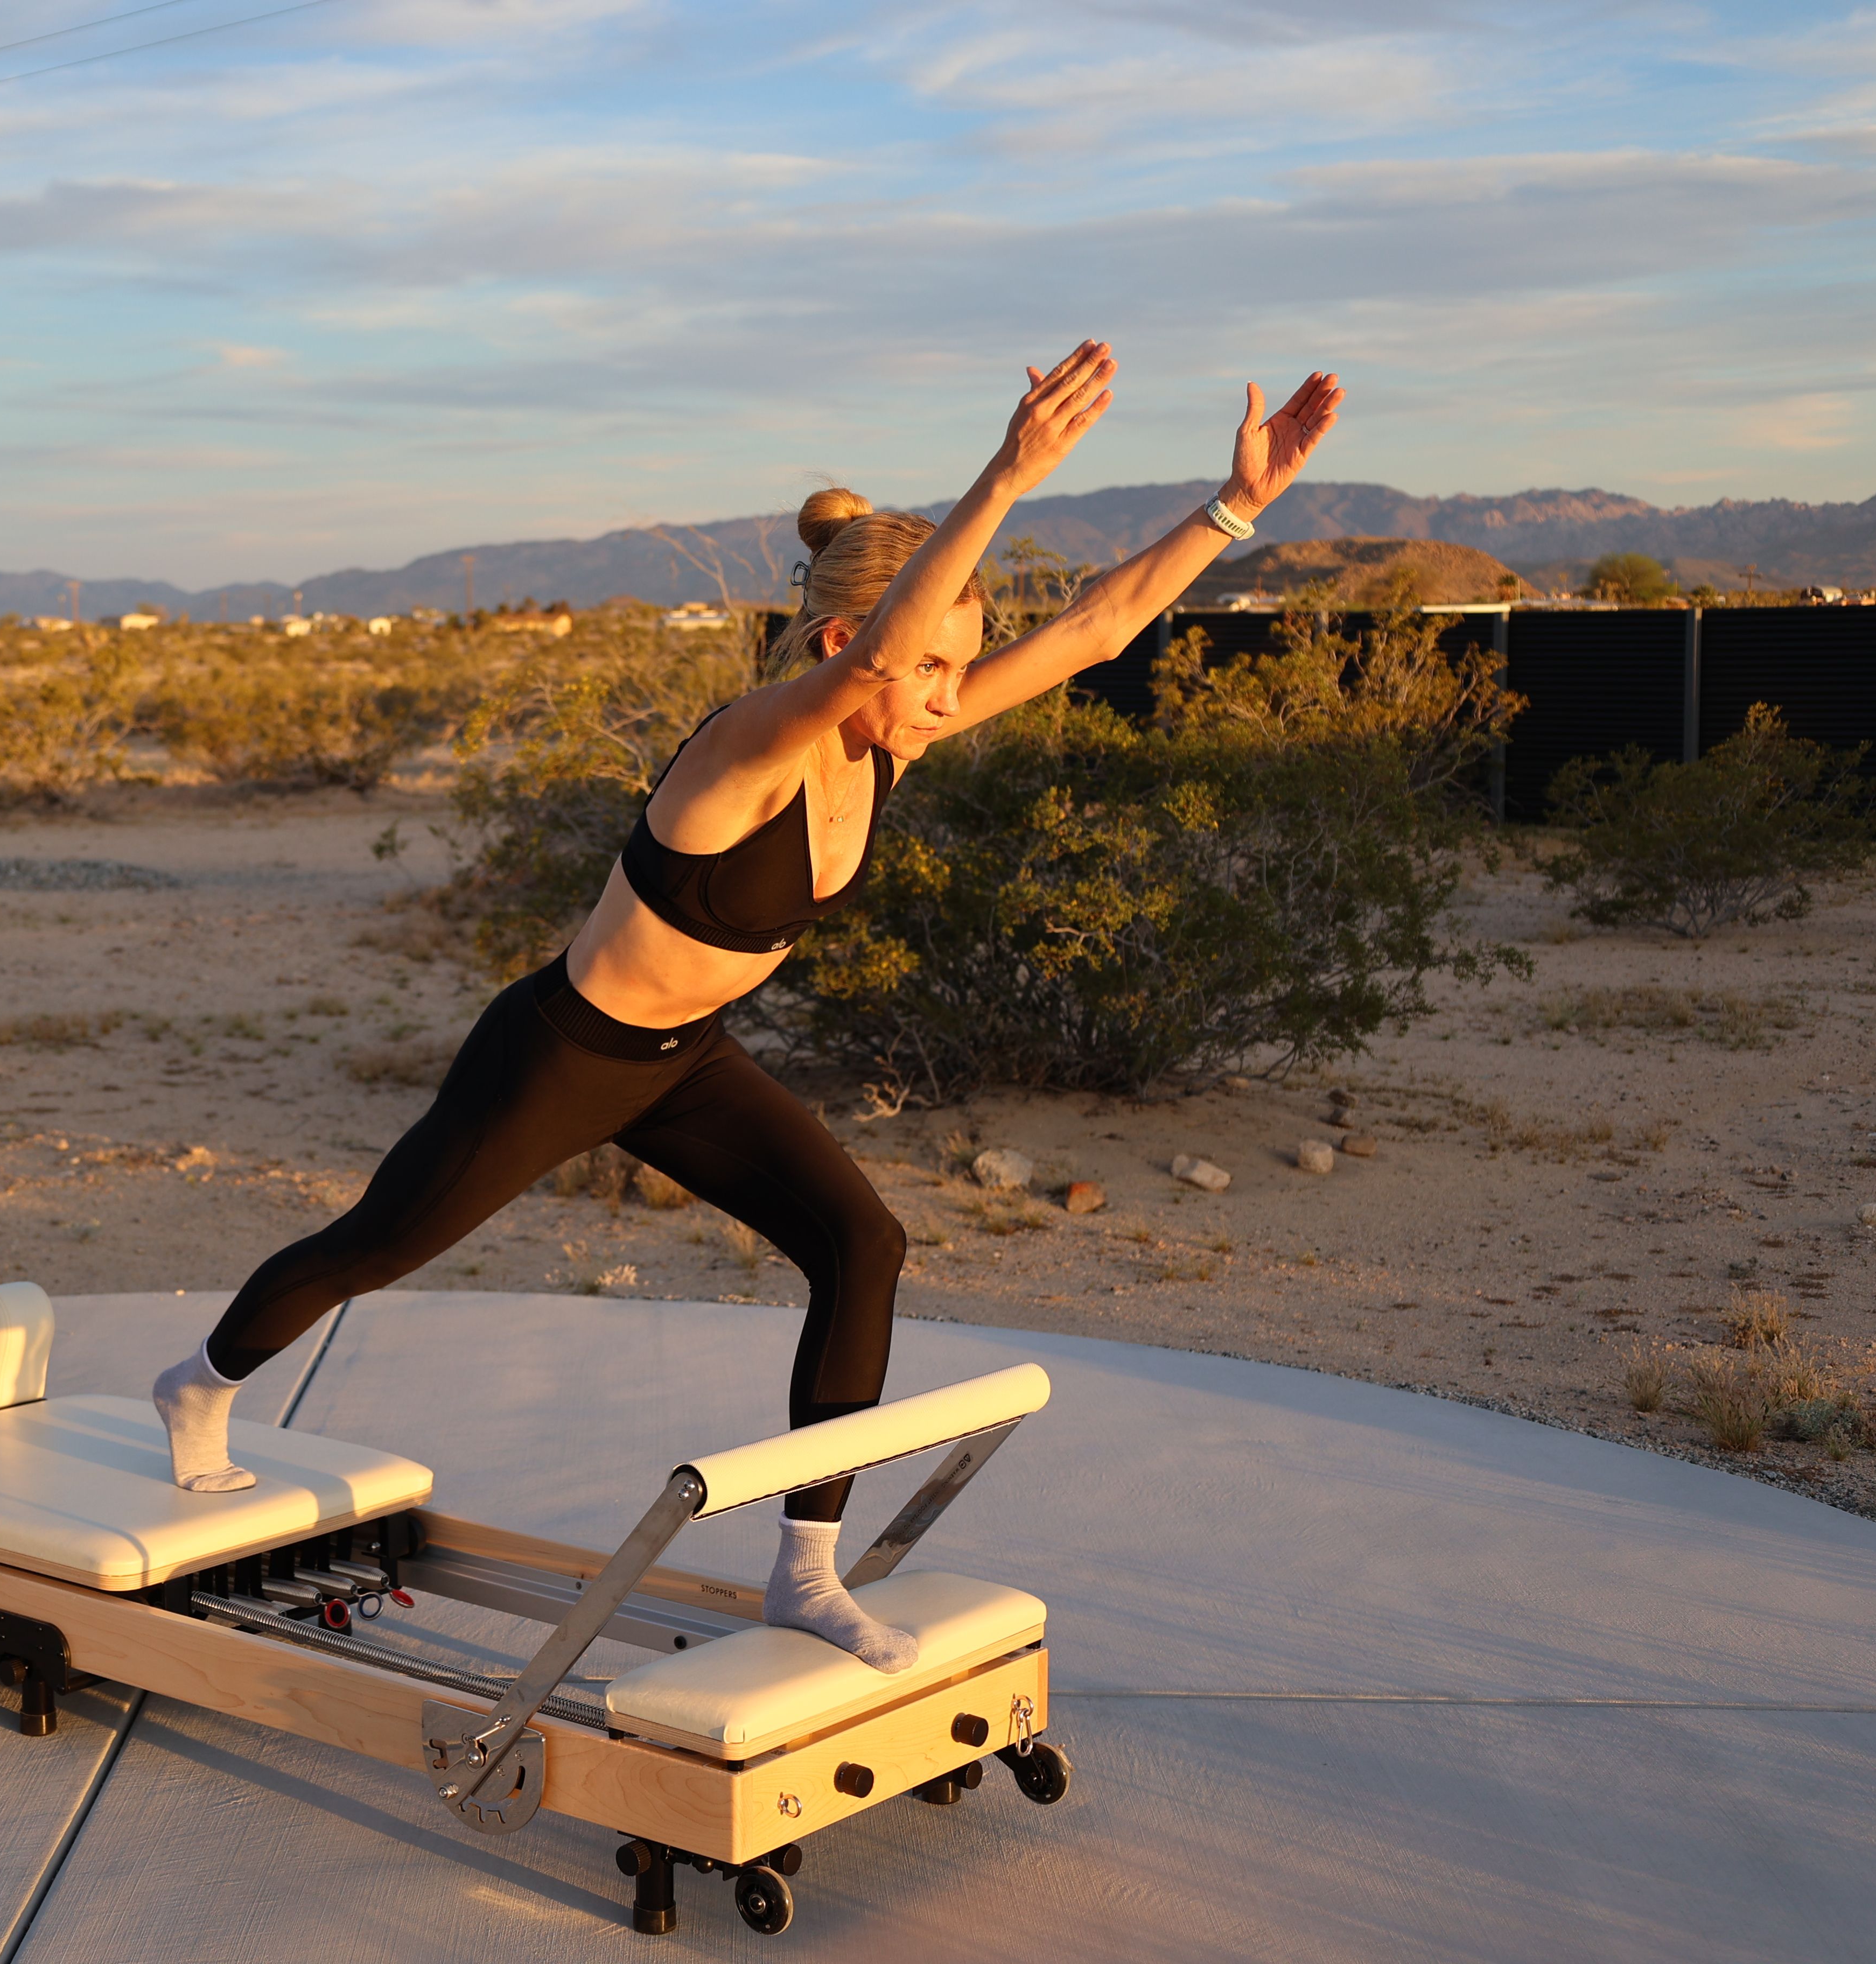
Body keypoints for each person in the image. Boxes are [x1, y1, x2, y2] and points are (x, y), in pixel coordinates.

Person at [156, 342, 1343, 1669]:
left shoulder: (895, 732)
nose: (952, 694)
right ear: (850, 646)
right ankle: (199, 1386)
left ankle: (807, 1569)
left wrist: (1236, 508)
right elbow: (896, 644)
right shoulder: (745, 747)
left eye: (961, 668)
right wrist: (1006, 476)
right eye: (933, 666)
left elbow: (1093, 631)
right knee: (374, 1248)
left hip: (686, 1063)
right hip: (560, 1056)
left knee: (861, 1243)